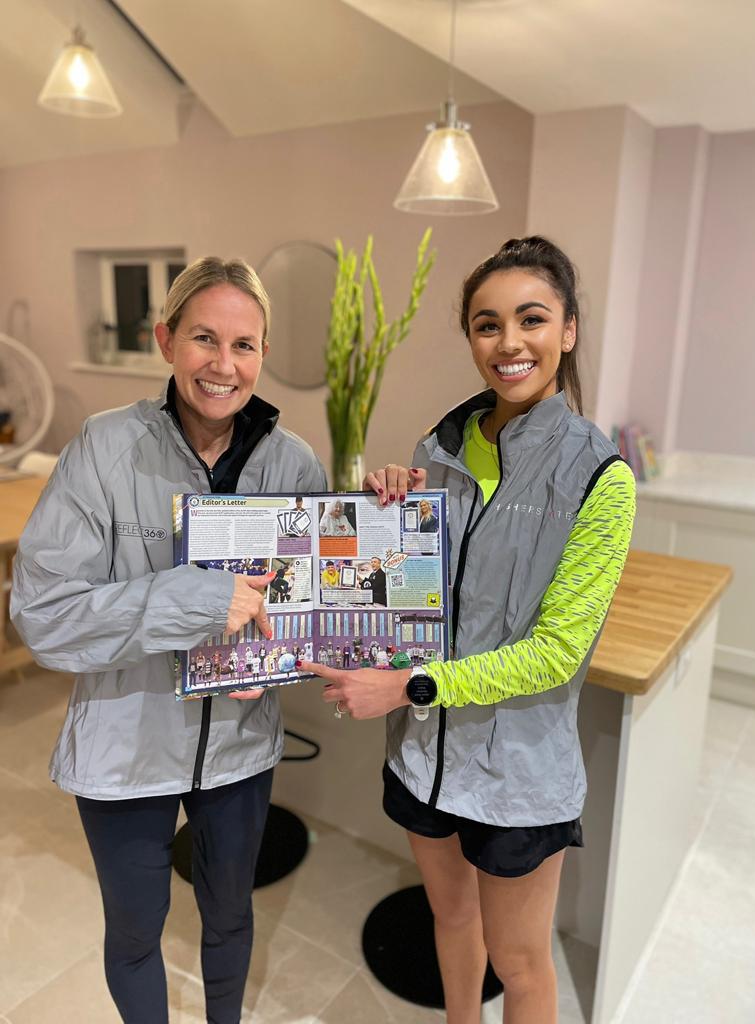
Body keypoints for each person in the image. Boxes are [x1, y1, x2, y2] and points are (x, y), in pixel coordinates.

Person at [301, 237, 635, 1024]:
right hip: (424, 759)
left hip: (518, 776)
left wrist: (411, 685)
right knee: (451, 922)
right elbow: (415, 599)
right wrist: (390, 508)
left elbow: (555, 654)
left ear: (569, 330)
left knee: (521, 966)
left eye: (532, 319)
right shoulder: (439, 451)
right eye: (488, 324)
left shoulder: (600, 477)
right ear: (471, 338)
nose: (509, 342)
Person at [11, 256, 326, 1024]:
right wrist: (189, 600)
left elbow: (308, 611)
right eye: (204, 339)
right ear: (165, 340)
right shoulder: (102, 447)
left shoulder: (294, 464)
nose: (224, 365)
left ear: (263, 353)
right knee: (133, 933)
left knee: (230, 920)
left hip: (240, 750)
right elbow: (43, 612)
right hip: (125, 749)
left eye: (245, 345)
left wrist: (275, 667)